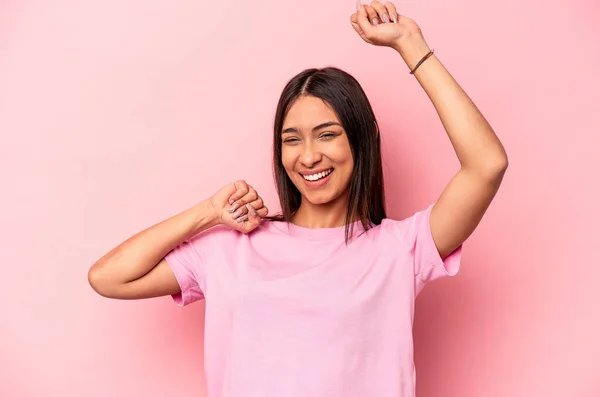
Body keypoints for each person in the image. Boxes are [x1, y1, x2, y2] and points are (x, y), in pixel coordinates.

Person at [88, 2, 508, 396]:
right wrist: (209, 214)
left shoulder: (402, 248)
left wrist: (410, 45)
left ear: (363, 141)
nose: (309, 156)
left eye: (327, 134)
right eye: (292, 140)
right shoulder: (231, 248)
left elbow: (487, 164)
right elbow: (109, 277)